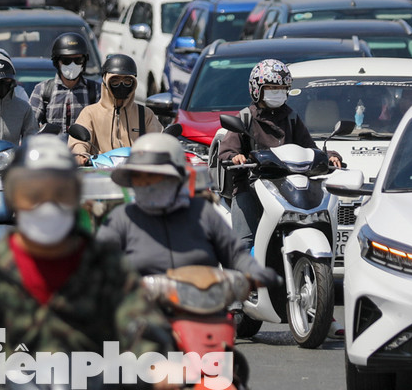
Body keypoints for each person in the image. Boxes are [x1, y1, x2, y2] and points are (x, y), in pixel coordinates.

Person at [0, 136, 174, 390]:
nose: (46, 203)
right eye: (32, 193)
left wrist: (155, 362)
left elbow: (140, 322)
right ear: (13, 197)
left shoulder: (104, 264)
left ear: (76, 197)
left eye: (60, 192)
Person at [97, 132, 271, 283]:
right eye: (140, 179)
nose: (148, 185)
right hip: (143, 312)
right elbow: (97, 260)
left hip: (203, 305)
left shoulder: (202, 213)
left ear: (176, 180)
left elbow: (234, 254)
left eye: (157, 178)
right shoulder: (122, 218)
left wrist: (255, 274)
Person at [217, 59, 319, 252]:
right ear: (258, 89)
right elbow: (227, 150)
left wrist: (329, 156)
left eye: (281, 88)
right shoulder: (246, 117)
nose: (277, 92)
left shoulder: (291, 118)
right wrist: (235, 156)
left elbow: (309, 147)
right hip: (250, 186)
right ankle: (242, 280)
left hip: (286, 188)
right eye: (271, 87)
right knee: (244, 243)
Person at [68, 54, 162, 166]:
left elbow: (159, 140)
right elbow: (78, 143)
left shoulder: (145, 114)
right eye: (115, 81)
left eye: (127, 81)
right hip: (100, 174)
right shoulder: (90, 113)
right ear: (105, 81)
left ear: (134, 83)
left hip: (136, 173)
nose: (121, 85)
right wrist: (81, 155)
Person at [29, 32, 101, 140]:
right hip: (52, 153)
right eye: (66, 61)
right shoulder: (43, 90)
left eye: (78, 60)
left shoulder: (96, 90)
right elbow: (29, 126)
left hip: (85, 154)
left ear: (84, 62)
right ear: (57, 62)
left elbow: (105, 126)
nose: (72, 65)